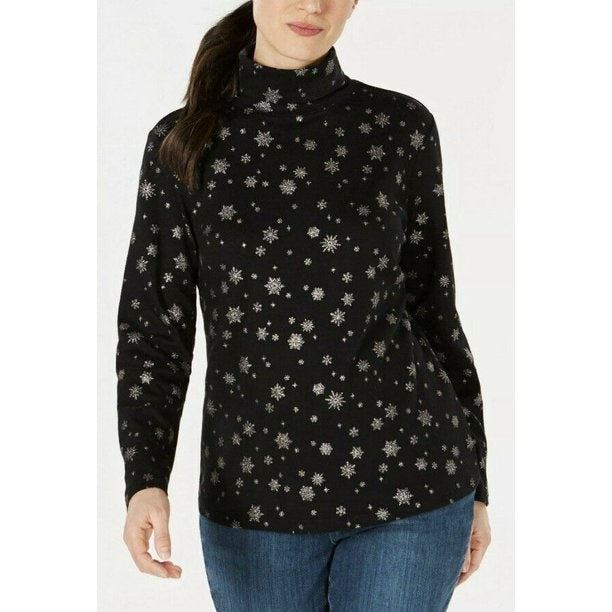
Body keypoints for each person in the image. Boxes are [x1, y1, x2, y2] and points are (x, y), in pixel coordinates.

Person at [115, 1, 492, 609]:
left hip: (413, 484)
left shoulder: (399, 127)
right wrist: (145, 479)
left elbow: (434, 309)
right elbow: (154, 328)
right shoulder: (184, 142)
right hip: (254, 501)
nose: (313, 5)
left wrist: (479, 484)